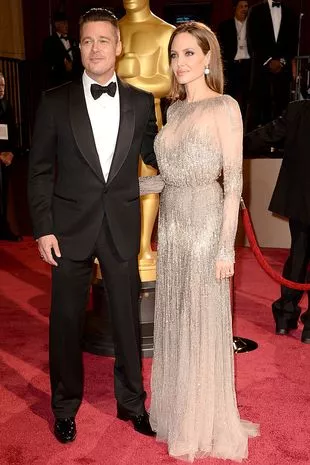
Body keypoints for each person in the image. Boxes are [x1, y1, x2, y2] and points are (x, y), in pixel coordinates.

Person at [28, 8, 158, 444]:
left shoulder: (142, 103)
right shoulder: (54, 101)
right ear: (78, 47)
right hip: (67, 229)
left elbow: (157, 157)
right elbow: (40, 169)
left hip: (121, 225)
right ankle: (64, 407)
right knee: (65, 321)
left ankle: (132, 403)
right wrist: (44, 226)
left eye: (104, 40)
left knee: (126, 320)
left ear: (119, 47)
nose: (96, 48)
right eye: (88, 41)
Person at [140, 21, 259, 462]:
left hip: (207, 225)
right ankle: (178, 410)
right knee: (176, 320)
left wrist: (226, 248)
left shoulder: (225, 107)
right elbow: (166, 179)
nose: (180, 62)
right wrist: (122, 190)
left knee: (202, 321)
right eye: (175, 55)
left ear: (208, 58)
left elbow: (233, 185)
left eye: (189, 53)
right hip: (171, 227)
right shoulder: (173, 111)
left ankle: (205, 418)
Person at [244, 98, 310, 344]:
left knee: (299, 254)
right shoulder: (297, 110)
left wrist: (233, 141)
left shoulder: (297, 110)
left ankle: (285, 317)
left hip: (301, 201)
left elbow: (266, 135)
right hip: (302, 200)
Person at [117, 0, 175, 280]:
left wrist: (130, 79)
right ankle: (119, 243)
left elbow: (167, 83)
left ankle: (144, 246)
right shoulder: (112, 28)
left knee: (147, 183)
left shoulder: (165, 32)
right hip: (111, 121)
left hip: (149, 122)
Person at [246, 0, 298, 130]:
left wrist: (281, 62)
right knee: (259, 105)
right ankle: (254, 143)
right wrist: (269, 61)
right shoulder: (256, 10)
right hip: (261, 68)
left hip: (282, 69)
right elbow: (253, 39)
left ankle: (280, 144)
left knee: (281, 107)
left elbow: (293, 42)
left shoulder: (291, 13)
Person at [217, 0, 251, 119]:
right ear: (235, 8)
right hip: (232, 66)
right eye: (241, 6)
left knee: (248, 98)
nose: (244, 9)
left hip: (249, 66)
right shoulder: (225, 26)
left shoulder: (253, 25)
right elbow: (220, 48)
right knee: (230, 97)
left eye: (246, 6)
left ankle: (247, 126)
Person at [0, 72, 21, 241]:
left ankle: (5, 228)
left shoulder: (7, 105)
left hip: (7, 157)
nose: (1, 89)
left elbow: (13, 132)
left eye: (3, 86)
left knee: (5, 195)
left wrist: (12, 152)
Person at [42, 11, 81, 88]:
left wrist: (73, 67)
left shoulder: (73, 40)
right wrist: (64, 66)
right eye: (64, 23)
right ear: (57, 25)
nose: (66, 26)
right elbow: (49, 61)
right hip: (59, 81)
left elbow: (78, 58)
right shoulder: (49, 41)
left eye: (67, 23)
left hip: (74, 79)